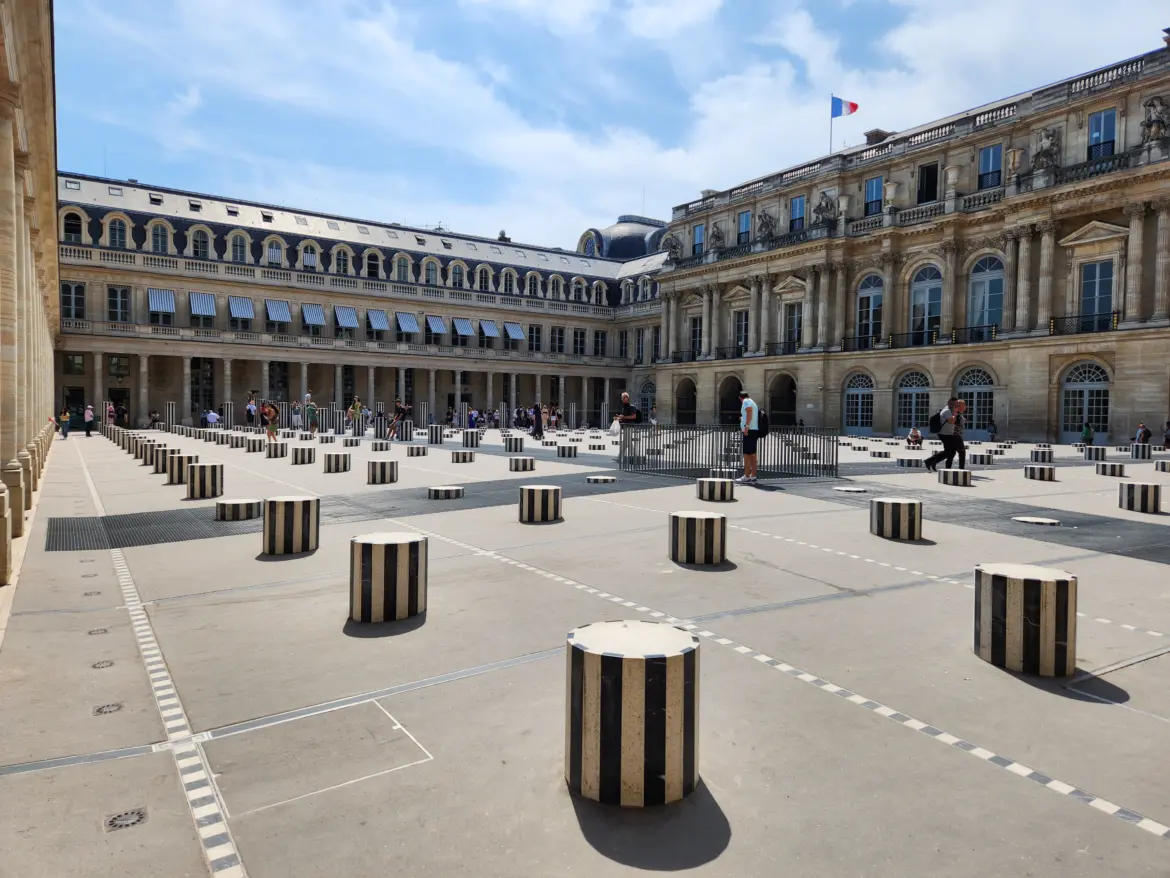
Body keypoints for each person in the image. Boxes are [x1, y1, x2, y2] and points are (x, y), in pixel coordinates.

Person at [925, 397, 963, 472]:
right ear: (951, 403)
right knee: (949, 452)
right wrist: (955, 412)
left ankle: (933, 462)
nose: (957, 405)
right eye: (956, 403)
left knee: (951, 452)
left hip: (948, 434)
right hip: (944, 434)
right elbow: (952, 421)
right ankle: (929, 461)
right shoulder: (947, 411)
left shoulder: (950, 410)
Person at [735, 391, 760, 483]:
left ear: (740, 398)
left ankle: (746, 476)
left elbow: (749, 411)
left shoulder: (746, 401)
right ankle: (753, 476)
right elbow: (750, 414)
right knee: (752, 453)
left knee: (746, 454)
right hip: (754, 430)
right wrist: (743, 419)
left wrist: (746, 426)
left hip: (749, 430)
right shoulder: (753, 402)